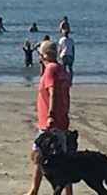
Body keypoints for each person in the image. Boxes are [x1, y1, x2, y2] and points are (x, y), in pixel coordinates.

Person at [23, 40, 72, 195]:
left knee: (38, 153)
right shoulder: (61, 70)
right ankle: (68, 193)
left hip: (50, 123)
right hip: (61, 121)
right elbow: (66, 94)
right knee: (63, 158)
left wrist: (51, 115)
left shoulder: (50, 70)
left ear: (44, 55)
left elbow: (52, 92)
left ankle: (33, 190)